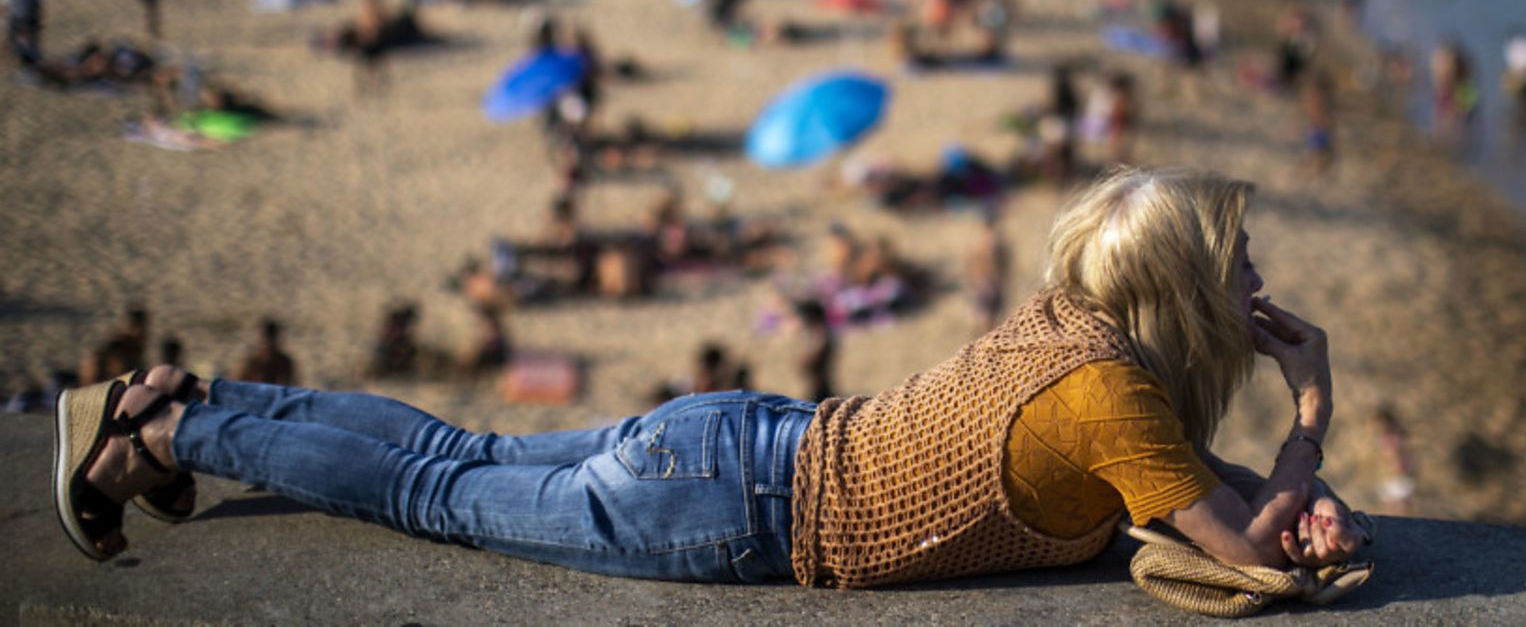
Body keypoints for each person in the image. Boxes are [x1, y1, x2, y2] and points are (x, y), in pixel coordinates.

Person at [53, 168, 1370, 584]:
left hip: (734, 440)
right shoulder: (1113, 393)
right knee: (432, 490)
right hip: (732, 509)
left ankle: (189, 404)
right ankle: (163, 434)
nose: (1255, 267)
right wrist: (1310, 422)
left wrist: (1273, 485)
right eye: (1236, 252)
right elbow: (1244, 561)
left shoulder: (1069, 323)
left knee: (455, 457)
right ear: (1186, 287)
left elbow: (1166, 486)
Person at [234, 320, 296, 386]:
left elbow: (287, 387)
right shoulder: (251, 362)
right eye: (265, 340)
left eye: (271, 340)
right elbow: (236, 385)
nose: (268, 344)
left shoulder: (283, 362)